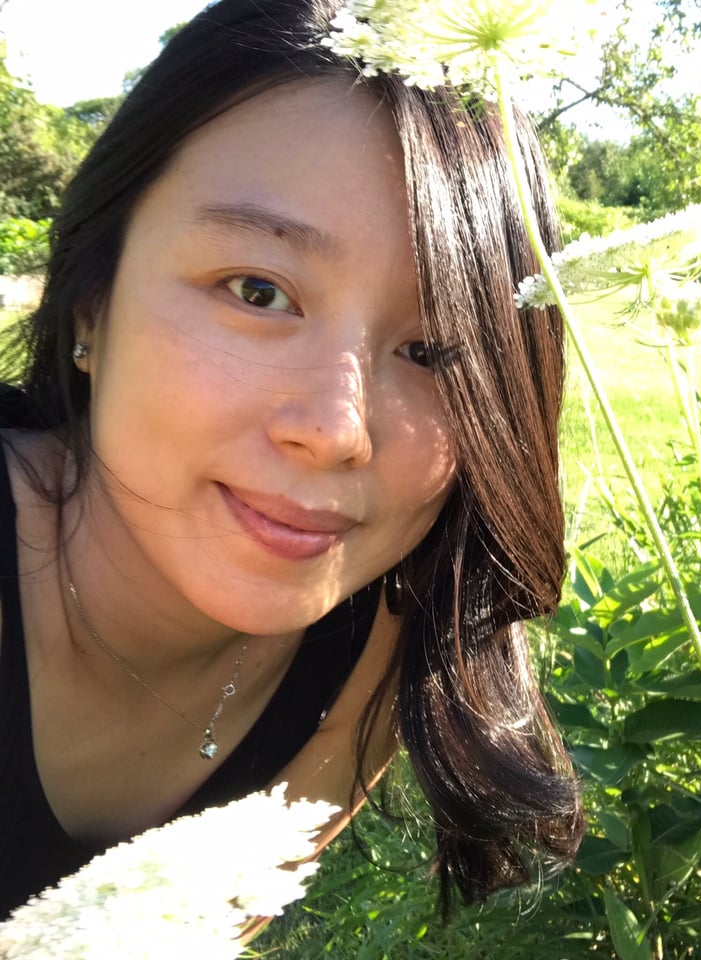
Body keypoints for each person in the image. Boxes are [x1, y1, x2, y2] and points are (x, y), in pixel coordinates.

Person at [0, 0, 583, 919]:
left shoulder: (379, 655)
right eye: (258, 291)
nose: (338, 429)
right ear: (90, 303)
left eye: (433, 352)